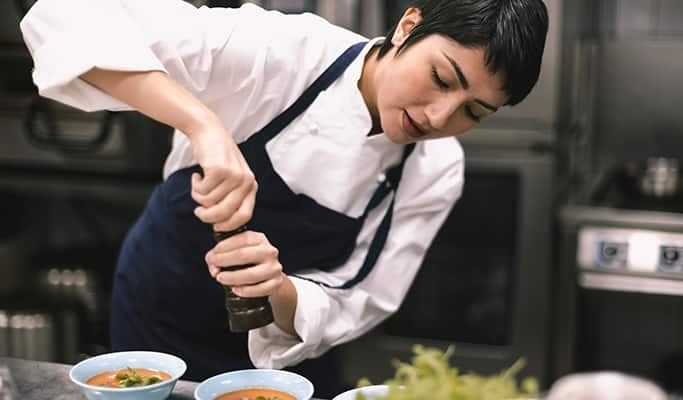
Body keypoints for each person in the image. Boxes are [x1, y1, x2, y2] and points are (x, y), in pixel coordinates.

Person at [20, 0, 548, 395]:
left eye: (472, 113)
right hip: (162, 314)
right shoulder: (284, 53)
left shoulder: (436, 168)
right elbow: (68, 14)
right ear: (407, 27)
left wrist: (277, 290)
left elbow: (364, 296)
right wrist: (203, 124)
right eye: (440, 78)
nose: (439, 117)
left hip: (288, 359)